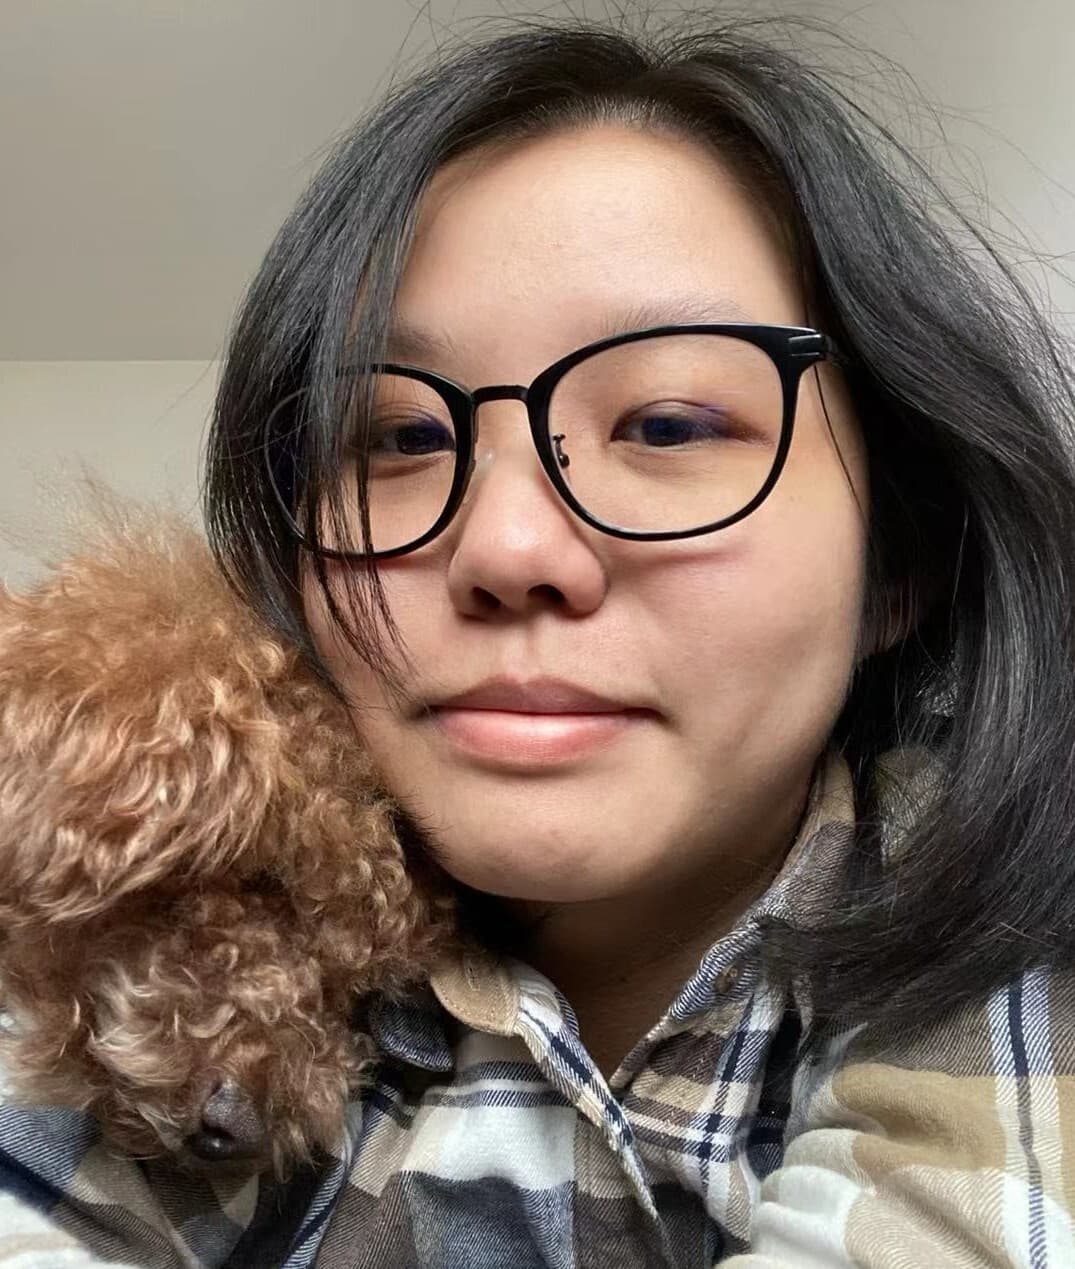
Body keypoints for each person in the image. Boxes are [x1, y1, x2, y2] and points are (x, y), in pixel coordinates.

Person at [4, 13, 1075, 1268]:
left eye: (668, 425)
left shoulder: (1027, 949)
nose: (508, 547)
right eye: (400, 438)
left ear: (900, 560)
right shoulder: (188, 963)